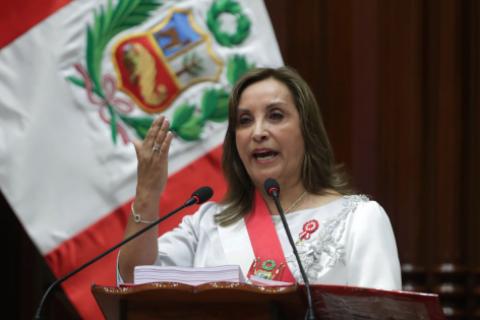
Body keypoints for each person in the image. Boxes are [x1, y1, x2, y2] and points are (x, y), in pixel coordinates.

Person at [118, 66, 402, 290]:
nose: (258, 132)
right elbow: (134, 279)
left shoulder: (359, 219)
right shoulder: (207, 224)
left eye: (276, 116)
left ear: (307, 130)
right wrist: (147, 192)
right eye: (244, 121)